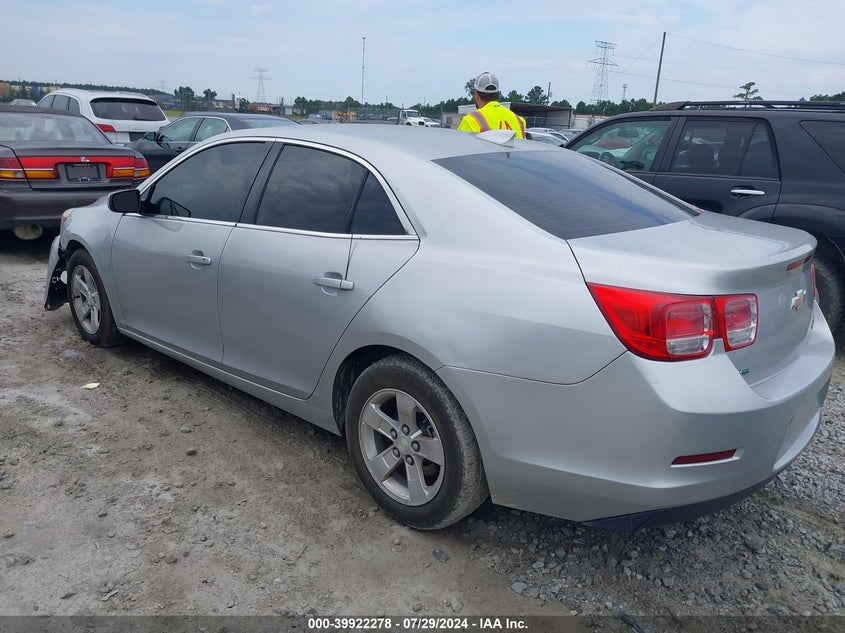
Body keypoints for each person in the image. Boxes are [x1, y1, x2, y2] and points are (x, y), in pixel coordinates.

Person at [458, 72, 526, 138]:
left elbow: (458, 148)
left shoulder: (470, 121)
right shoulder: (520, 121)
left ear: (476, 95)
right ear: (498, 94)